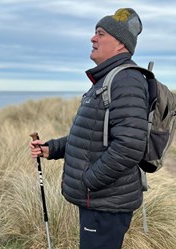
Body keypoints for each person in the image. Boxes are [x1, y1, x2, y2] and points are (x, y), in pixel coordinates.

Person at [30, 8, 148, 249]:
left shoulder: (126, 80)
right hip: (99, 203)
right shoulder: (107, 79)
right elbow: (90, 136)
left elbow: (130, 145)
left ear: (119, 44)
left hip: (105, 204)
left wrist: (89, 180)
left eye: (100, 33)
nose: (93, 38)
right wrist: (51, 148)